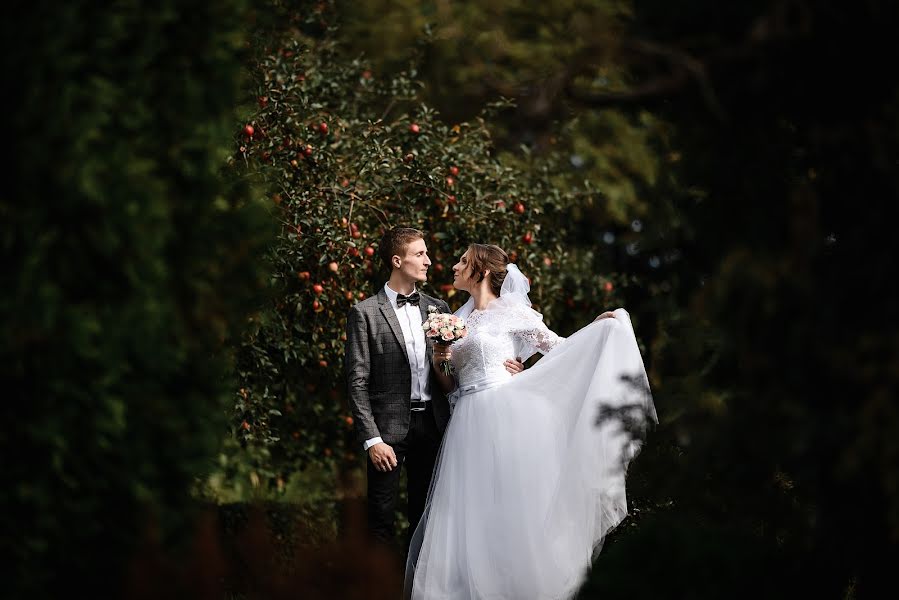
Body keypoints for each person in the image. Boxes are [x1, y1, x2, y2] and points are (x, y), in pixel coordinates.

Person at [405, 243, 657, 599]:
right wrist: (441, 357)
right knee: (468, 514)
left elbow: (559, 347)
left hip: (503, 414)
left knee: (512, 507)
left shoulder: (512, 312)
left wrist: (596, 329)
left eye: (463, 261)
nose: (454, 266)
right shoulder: (456, 320)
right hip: (466, 420)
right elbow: (449, 384)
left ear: (482, 270)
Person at [344, 228, 525, 553]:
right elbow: (357, 382)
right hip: (386, 434)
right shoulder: (364, 313)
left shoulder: (439, 308)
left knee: (427, 520)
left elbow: (451, 373)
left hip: (434, 427)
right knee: (380, 522)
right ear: (397, 261)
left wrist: (511, 369)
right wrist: (372, 440)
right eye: (420, 254)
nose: (429, 260)